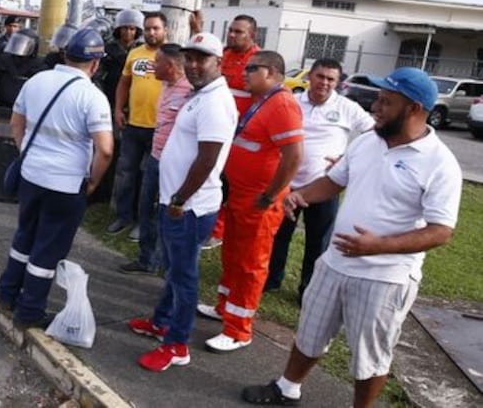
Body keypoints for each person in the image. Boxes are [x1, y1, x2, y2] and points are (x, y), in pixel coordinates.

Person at [242, 67, 461, 408]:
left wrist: (378, 246)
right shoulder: (367, 141)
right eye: (378, 99)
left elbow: (441, 231)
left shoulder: (440, 163)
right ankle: (287, 388)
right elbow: (334, 181)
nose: (376, 107)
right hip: (335, 262)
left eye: (386, 102)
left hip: (384, 278)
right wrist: (300, 195)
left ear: (414, 108)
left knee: (370, 356)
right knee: (311, 333)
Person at [127, 32, 237, 371]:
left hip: (189, 206)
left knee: (184, 276)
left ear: (219, 62)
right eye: (189, 57)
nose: (193, 65)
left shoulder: (215, 102)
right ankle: (161, 322)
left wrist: (179, 198)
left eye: (201, 58)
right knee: (175, 270)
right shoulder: (201, 95)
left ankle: (177, 345)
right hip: (176, 201)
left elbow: (207, 159)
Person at [0, 27, 114, 329]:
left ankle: (6, 294)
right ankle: (29, 311)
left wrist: (29, 154)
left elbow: (16, 124)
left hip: (31, 175)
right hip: (66, 185)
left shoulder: (36, 81)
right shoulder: (92, 96)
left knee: (24, 236)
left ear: (65, 54)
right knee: (48, 249)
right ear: (95, 63)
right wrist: (93, 182)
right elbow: (105, 150)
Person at [196, 50, 303, 353]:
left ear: (270, 72)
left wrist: (269, 196)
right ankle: (225, 308)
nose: (244, 73)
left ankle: (239, 329)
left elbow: (294, 157)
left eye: (251, 69)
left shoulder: (282, 104)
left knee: (250, 264)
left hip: (260, 201)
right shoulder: (262, 101)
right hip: (240, 195)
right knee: (232, 254)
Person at [265, 58, 374, 299]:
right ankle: (271, 279)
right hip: (287, 183)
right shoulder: (292, 102)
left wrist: (348, 159)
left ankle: (309, 289)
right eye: (320, 76)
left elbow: (375, 134)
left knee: (318, 241)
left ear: (338, 82)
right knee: (278, 234)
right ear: (309, 77)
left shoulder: (347, 107)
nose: (324, 83)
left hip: (323, 186)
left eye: (331, 79)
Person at [119, 43, 193, 274]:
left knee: (167, 213)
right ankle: (146, 259)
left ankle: (164, 262)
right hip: (155, 156)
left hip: (175, 164)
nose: (152, 66)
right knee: (146, 207)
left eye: (157, 62)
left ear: (170, 66)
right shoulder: (166, 84)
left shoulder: (190, 92)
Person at [107, 12, 167, 236]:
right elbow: (124, 83)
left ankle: (145, 222)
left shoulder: (173, 55)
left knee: (150, 178)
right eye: (148, 28)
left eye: (156, 28)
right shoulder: (135, 53)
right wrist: (118, 109)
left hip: (159, 128)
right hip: (133, 124)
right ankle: (124, 216)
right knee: (126, 173)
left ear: (165, 30)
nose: (151, 32)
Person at [207, 14, 264, 248]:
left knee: (230, 183)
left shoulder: (258, 62)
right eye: (230, 30)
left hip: (241, 134)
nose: (232, 35)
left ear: (252, 35)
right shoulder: (223, 55)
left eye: (238, 32)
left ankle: (220, 230)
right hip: (215, 127)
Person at [0, 28, 46, 114]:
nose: (19, 46)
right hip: (1, 106)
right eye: (17, 42)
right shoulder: (5, 60)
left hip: (24, 111)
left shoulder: (39, 66)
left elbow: (41, 92)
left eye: (22, 44)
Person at [96, 9, 143, 108]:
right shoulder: (108, 49)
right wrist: (101, 96)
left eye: (132, 29)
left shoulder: (141, 50)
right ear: (119, 29)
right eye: (124, 28)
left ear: (137, 31)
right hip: (110, 95)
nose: (128, 32)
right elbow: (98, 76)